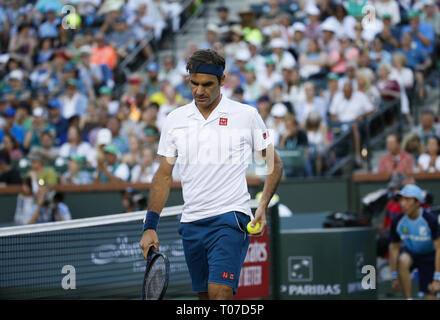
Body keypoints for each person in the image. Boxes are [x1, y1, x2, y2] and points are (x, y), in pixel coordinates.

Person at [138, 49, 283, 300]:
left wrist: (262, 206)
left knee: (220, 294)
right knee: (204, 299)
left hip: (230, 218)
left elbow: (275, 164)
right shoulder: (175, 120)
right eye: (194, 83)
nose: (199, 91)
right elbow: (163, 175)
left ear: (222, 81)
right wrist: (150, 225)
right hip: (191, 223)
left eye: (207, 84)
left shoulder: (246, 115)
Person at [389, 184, 440, 300]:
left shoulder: (430, 220)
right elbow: (394, 248)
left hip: (430, 257)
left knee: (430, 297)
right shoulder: (397, 221)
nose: (403, 204)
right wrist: (394, 275)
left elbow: (439, 249)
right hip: (411, 252)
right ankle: (408, 298)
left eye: (407, 200)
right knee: (403, 260)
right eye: (401, 199)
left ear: (417, 203)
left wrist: (437, 278)